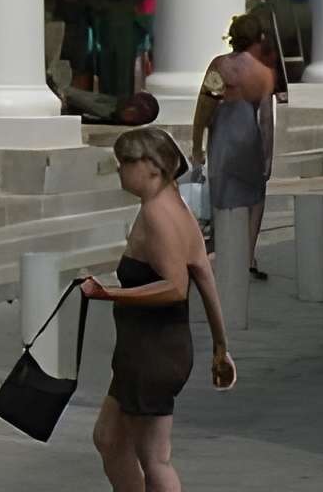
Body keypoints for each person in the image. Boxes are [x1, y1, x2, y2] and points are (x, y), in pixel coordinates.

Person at [78, 126, 236, 492]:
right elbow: (204, 276)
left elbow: (175, 288)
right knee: (108, 437)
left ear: (151, 166)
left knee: (154, 456)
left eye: (124, 163)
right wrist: (220, 346)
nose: (119, 170)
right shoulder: (176, 206)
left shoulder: (157, 215)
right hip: (150, 349)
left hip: (152, 350)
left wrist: (110, 294)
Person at [191, 12, 281, 281]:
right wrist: (268, 157)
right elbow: (266, 120)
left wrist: (197, 142)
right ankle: (248, 256)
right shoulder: (264, 73)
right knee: (255, 194)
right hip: (249, 134)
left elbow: (205, 104)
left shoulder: (220, 66)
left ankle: (221, 251)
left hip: (223, 132)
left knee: (221, 191)